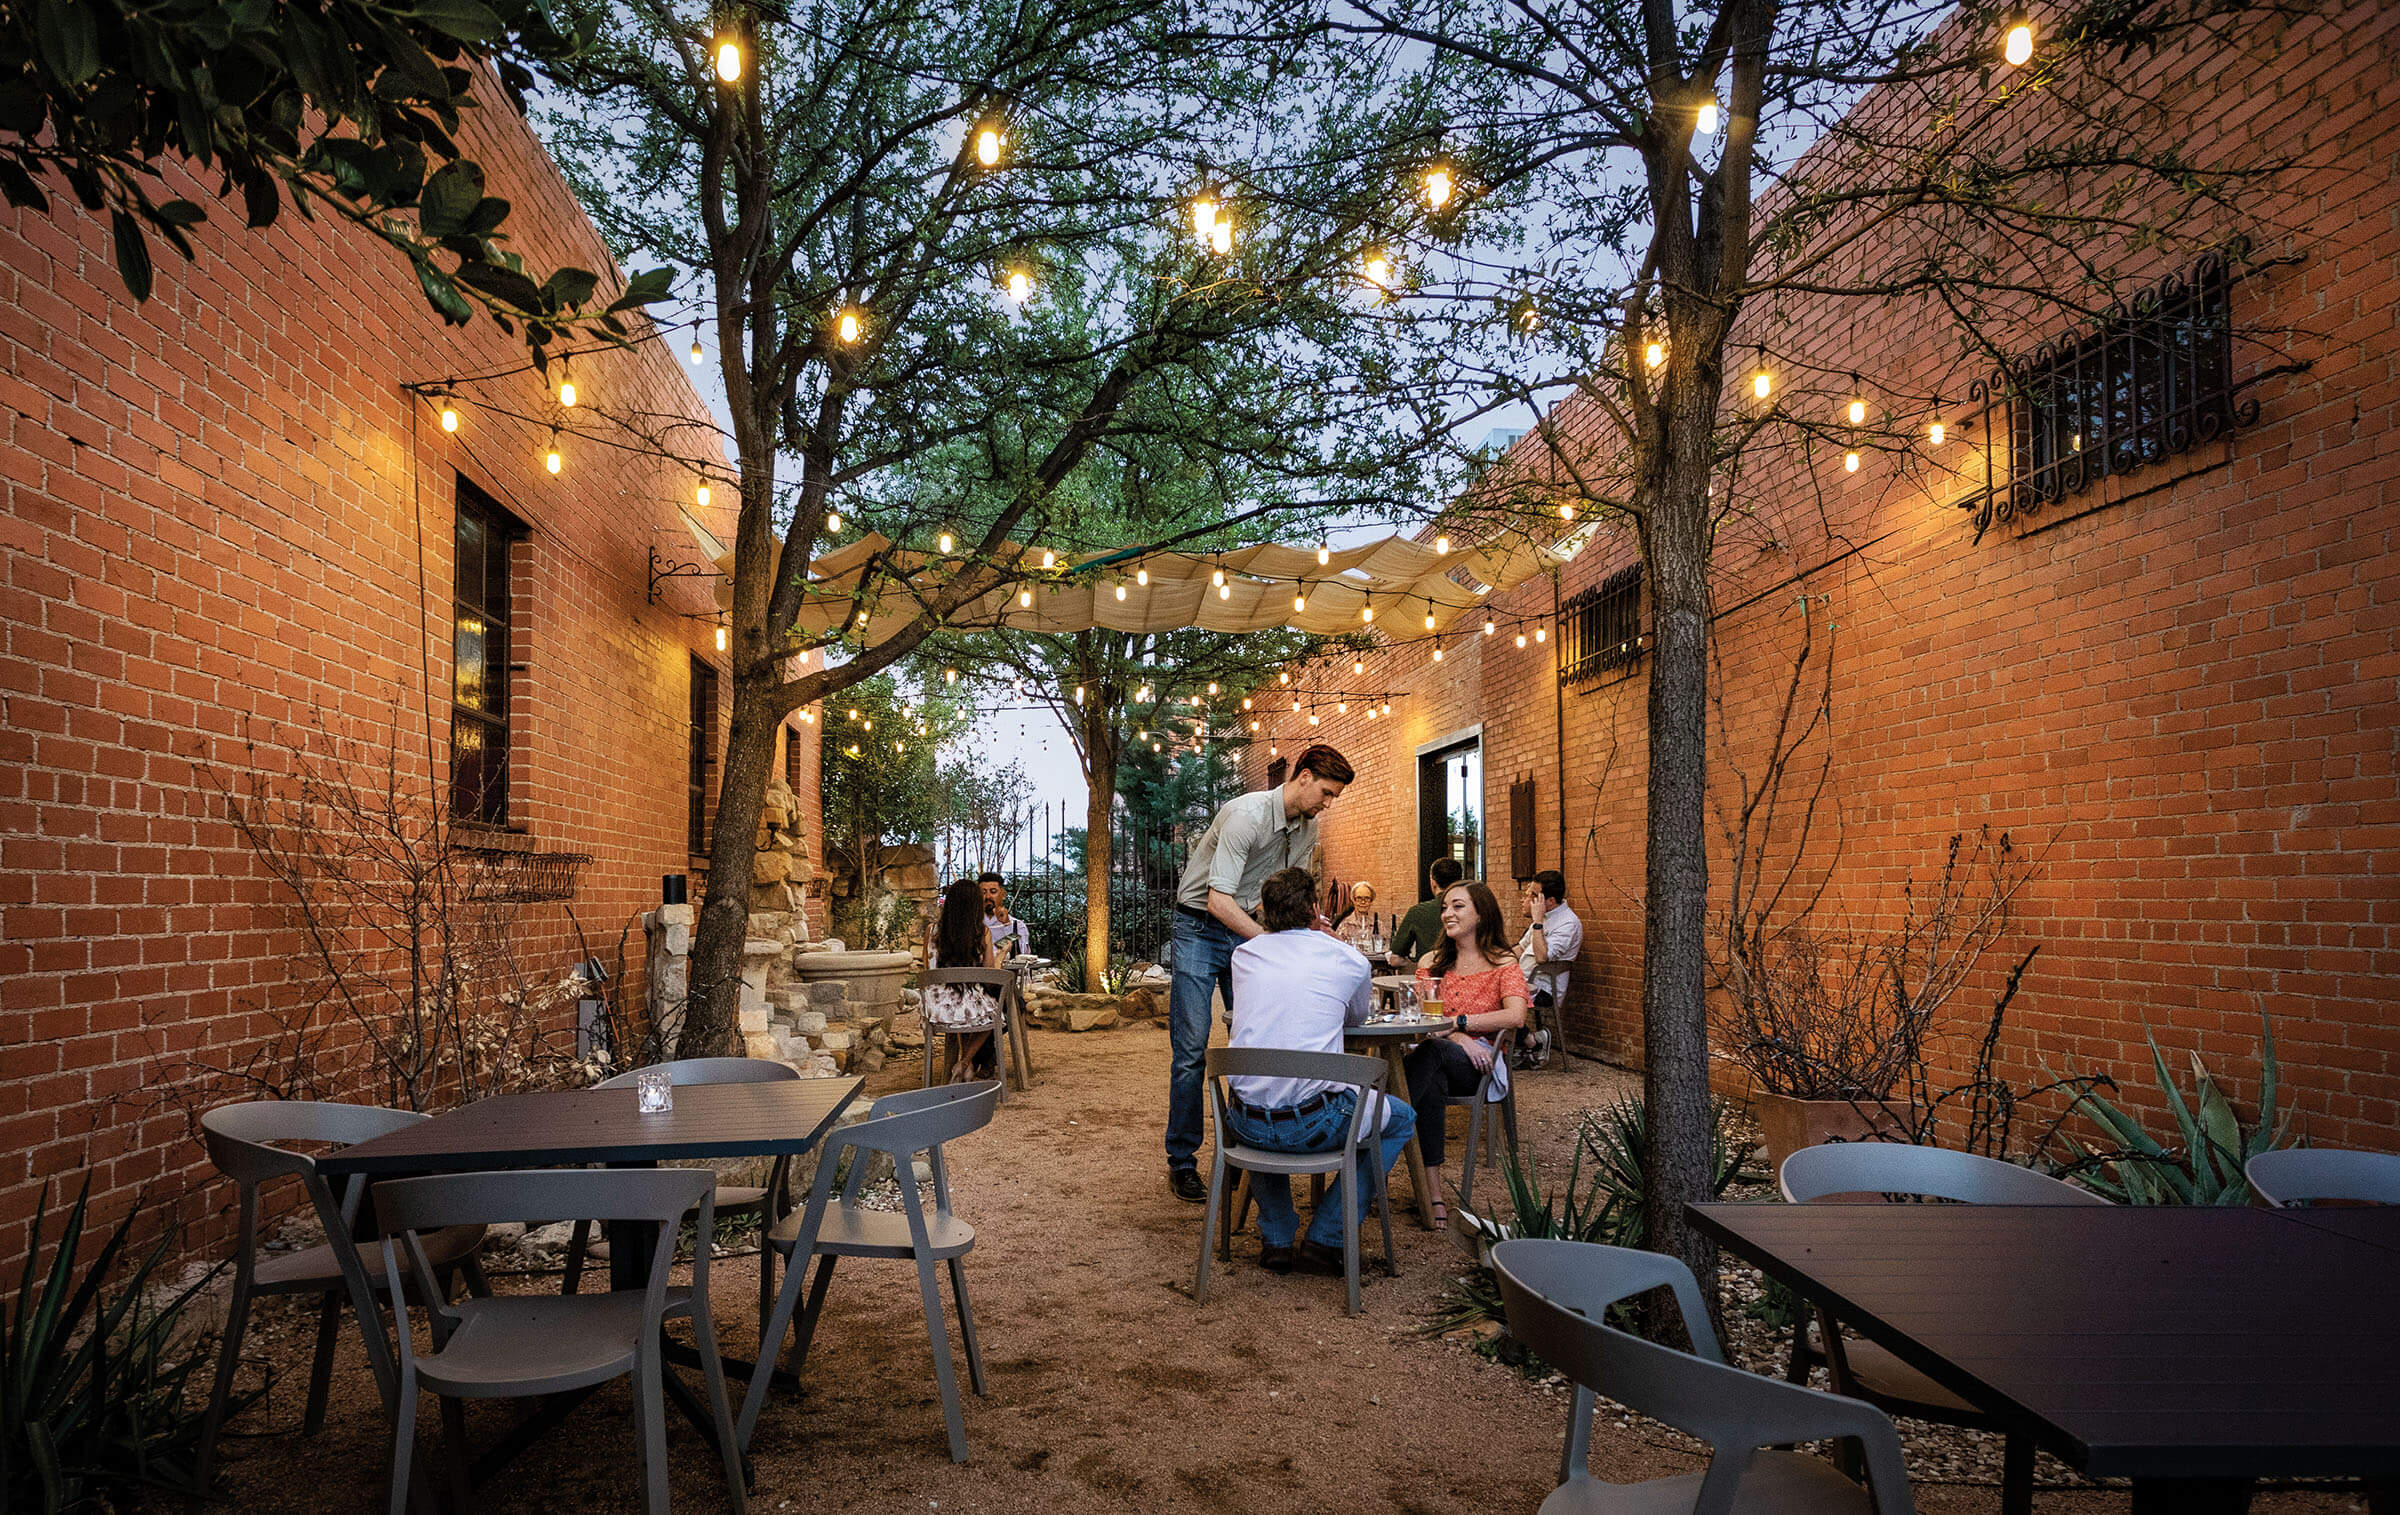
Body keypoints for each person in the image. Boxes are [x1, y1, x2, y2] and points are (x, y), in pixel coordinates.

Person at [1163, 744, 1354, 1202]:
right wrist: (1272, 944)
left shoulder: (1306, 828)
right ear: (1304, 776)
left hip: (1249, 926)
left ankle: (1244, 1151)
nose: (1327, 804)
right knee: (1191, 1050)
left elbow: (1286, 894)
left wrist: (1312, 924)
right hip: (1197, 926)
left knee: (1259, 1043)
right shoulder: (1246, 815)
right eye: (1326, 793)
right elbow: (1218, 900)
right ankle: (1182, 1162)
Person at [1223, 868, 1417, 1274]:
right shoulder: (1346, 958)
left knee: (1262, 1093)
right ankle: (1327, 1235)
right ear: (1315, 908)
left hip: (1244, 1125)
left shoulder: (1243, 956)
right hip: (1316, 1123)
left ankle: (1276, 1237)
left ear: (1263, 911)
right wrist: (1331, 942)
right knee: (1401, 1118)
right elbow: (1358, 1017)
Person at [1402, 880, 1528, 1227]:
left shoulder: (1502, 961)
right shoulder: (1432, 962)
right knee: (1431, 1078)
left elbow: (1516, 1015)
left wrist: (1460, 1024)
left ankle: (1382, 1120)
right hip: (1440, 1053)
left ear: (1480, 912)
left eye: (1457, 906)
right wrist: (1458, 1038)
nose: (1447, 914)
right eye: (1445, 907)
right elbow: (1424, 1020)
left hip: (1482, 1062)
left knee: (1428, 1057)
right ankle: (1434, 1194)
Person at [923, 879, 1003, 1082]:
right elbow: (989, 974)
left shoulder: (931, 931)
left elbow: (926, 969)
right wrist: (1001, 954)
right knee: (995, 1015)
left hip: (935, 1009)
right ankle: (965, 1063)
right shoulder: (982, 932)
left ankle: (961, 1067)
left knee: (973, 1010)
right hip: (968, 1008)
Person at [1513, 870, 1582, 1068]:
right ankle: (1528, 1042)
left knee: (1494, 998)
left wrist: (1536, 922)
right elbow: (1519, 949)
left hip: (1544, 989)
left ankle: (1532, 1043)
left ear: (1549, 901)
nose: (1525, 899)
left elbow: (1542, 957)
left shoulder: (1568, 923)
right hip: (1523, 982)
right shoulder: (1546, 916)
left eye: (1532, 895)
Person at [1386, 855, 1463, 970]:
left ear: (1433, 882)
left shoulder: (1418, 912)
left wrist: (1418, 964)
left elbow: (1395, 959)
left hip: (1429, 980)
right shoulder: (1474, 911)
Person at [979, 871, 1031, 960]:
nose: (988, 896)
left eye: (993, 891)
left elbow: (1022, 955)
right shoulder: (973, 924)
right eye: (983, 892)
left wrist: (1007, 925)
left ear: (1003, 895)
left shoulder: (1017, 925)